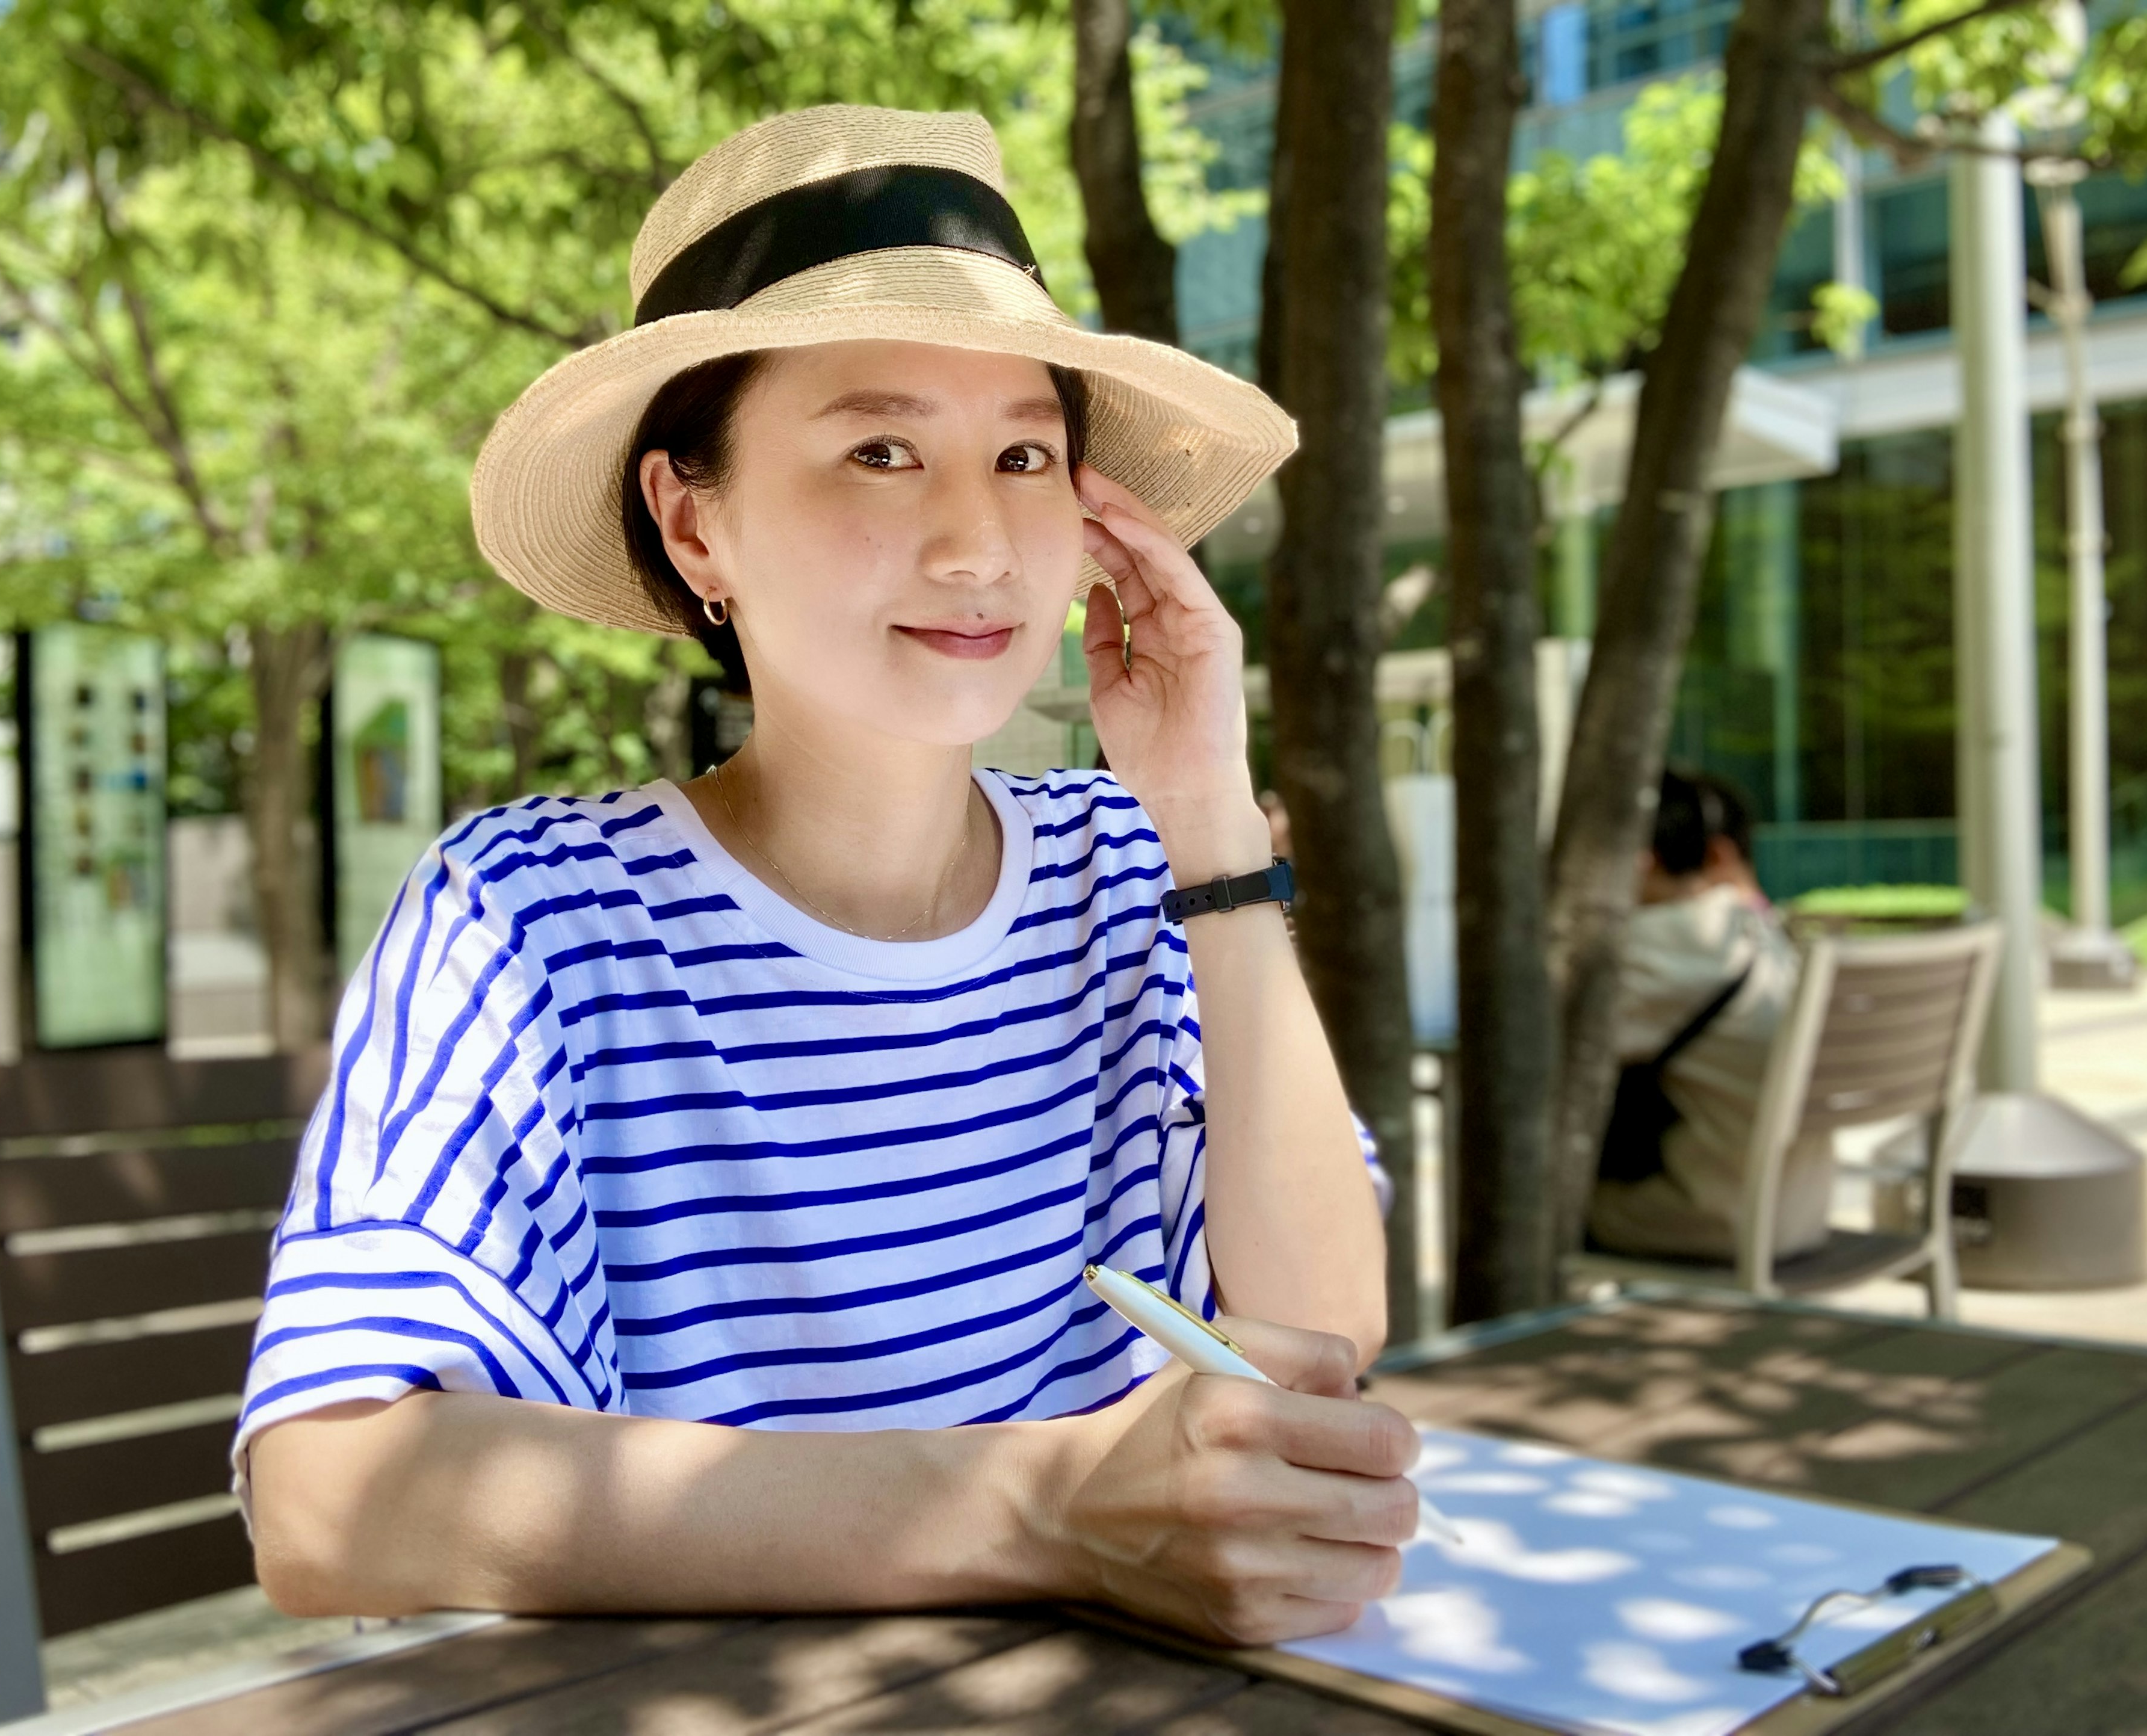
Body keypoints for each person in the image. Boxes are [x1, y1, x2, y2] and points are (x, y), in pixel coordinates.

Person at [238, 106, 1412, 1648]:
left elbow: (1321, 1338)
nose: (977, 541)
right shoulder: (527, 913)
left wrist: (1205, 821)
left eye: (1022, 456)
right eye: (878, 449)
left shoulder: (1130, 870)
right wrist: (1044, 1508)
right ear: (691, 519)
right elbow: (329, 1501)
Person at [1588, 770, 1835, 1263]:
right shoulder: (1760, 933)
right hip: (1803, 1213)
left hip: (1713, 1218)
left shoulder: (1658, 947)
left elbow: (1541, 1056)